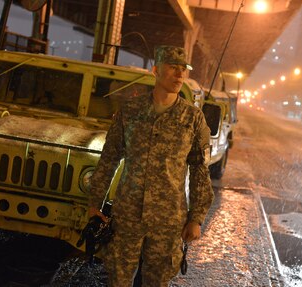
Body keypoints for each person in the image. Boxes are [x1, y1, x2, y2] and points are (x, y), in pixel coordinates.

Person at [88, 45, 214, 286]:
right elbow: (109, 158)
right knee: (117, 278)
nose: (180, 75)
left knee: (157, 281)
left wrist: (196, 217)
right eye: (173, 68)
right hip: (127, 216)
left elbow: (199, 170)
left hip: (168, 220)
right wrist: (95, 203)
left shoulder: (192, 118)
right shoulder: (131, 110)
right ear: (155, 70)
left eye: (183, 69)